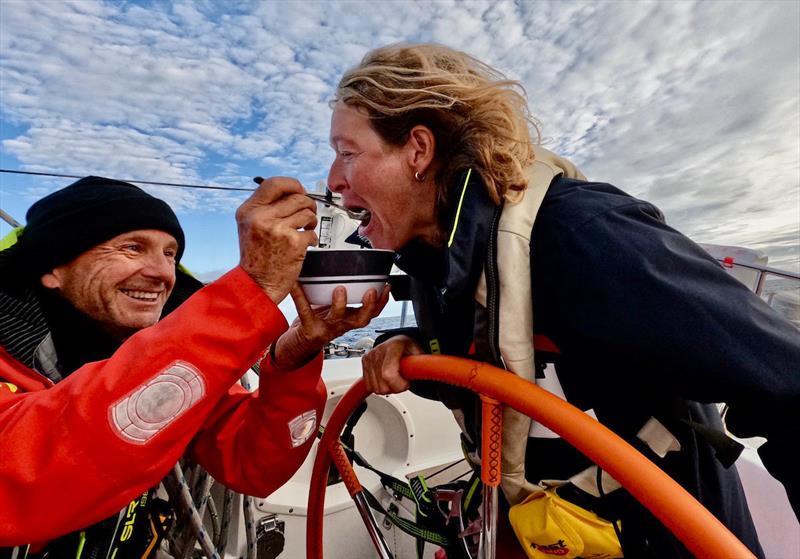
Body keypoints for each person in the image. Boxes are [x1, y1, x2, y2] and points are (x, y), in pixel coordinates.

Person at [325, 43, 799, 558]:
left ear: (417, 149)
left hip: (660, 536)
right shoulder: (432, 262)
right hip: (543, 530)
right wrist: (411, 344)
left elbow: (787, 384)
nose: (332, 182)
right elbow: (499, 358)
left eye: (347, 153)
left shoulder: (580, 235)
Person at [0, 176, 389, 555]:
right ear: (53, 269)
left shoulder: (171, 366)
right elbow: (18, 481)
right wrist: (250, 292)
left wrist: (293, 359)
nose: (161, 273)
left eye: (170, 253)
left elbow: (253, 465)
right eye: (132, 248)